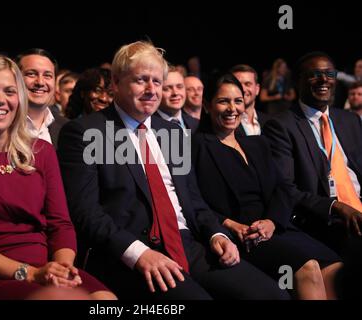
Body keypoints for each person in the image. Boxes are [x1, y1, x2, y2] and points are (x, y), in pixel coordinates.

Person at [58, 41, 289, 300]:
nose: (151, 90)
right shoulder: (86, 132)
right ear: (115, 81)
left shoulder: (172, 133)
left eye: (157, 82)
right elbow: (86, 213)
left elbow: (194, 200)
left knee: (274, 295)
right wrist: (138, 253)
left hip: (188, 244)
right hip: (131, 252)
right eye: (141, 80)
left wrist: (216, 234)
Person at [0, 54, 116, 300]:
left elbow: (60, 223)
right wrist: (28, 273)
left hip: (48, 269)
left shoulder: (42, 151)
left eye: (9, 91)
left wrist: (61, 270)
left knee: (105, 300)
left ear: (19, 98)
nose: (0, 100)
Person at [192, 73, 342, 299]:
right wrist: (232, 226)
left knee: (335, 269)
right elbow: (194, 202)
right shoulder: (196, 147)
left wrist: (272, 221)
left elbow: (282, 189)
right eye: (223, 101)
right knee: (308, 268)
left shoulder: (257, 144)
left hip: (276, 227)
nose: (232, 108)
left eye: (238, 101)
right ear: (206, 105)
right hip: (242, 236)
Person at [263, 52, 362, 254]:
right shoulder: (281, 126)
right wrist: (336, 207)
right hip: (326, 221)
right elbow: (287, 189)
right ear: (298, 81)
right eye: (314, 74)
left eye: (329, 73)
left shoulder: (350, 120)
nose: (324, 79)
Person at [16, 48, 68, 149]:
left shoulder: (66, 128)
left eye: (47, 75)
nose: (40, 82)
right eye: (31, 74)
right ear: (15, 78)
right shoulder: (1, 126)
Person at [155, 66, 199, 135]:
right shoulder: (147, 126)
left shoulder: (197, 124)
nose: (175, 93)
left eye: (179, 87)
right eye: (167, 88)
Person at [230, 64, 270, 136]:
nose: (243, 89)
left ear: (257, 89)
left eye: (247, 84)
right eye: (237, 84)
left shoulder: (269, 121)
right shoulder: (226, 123)